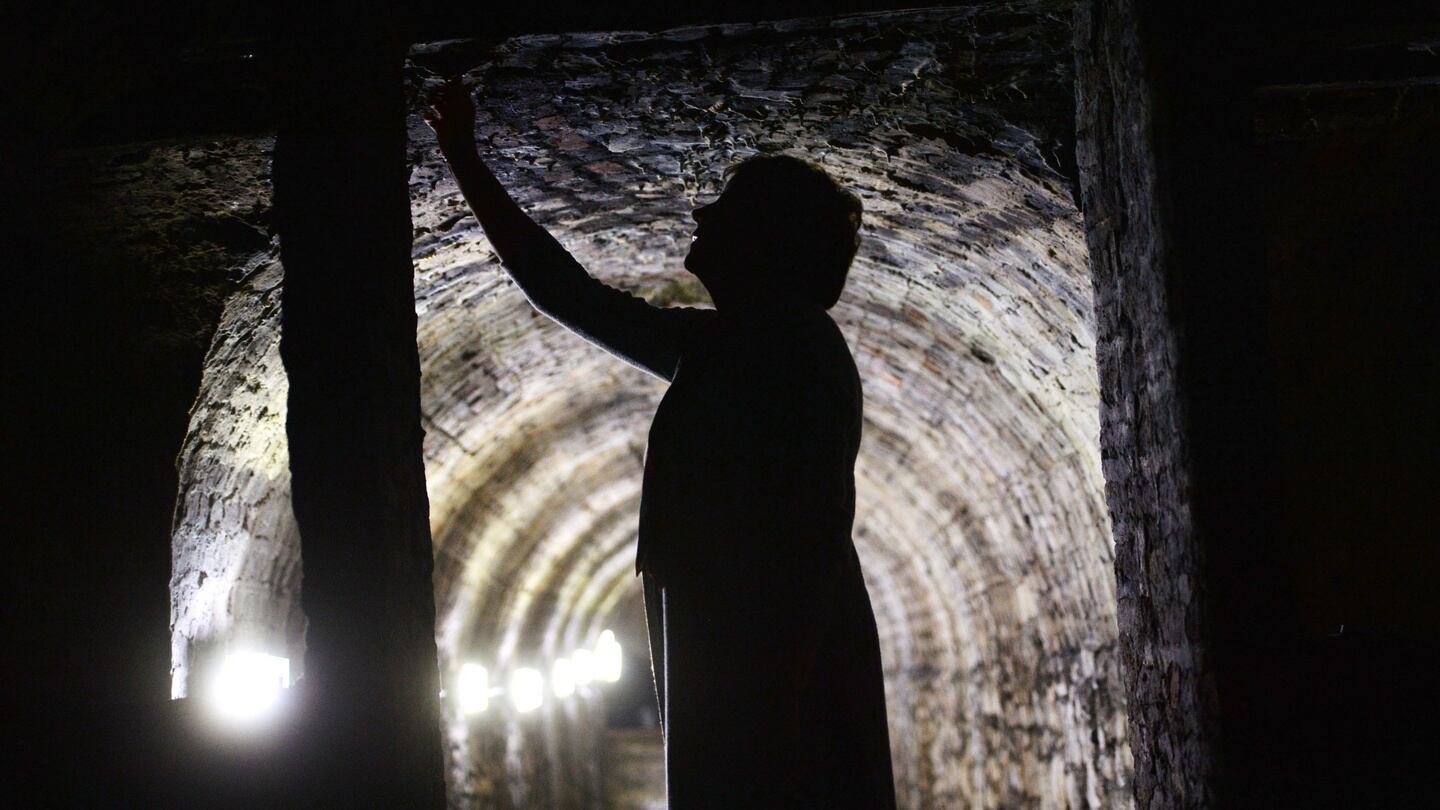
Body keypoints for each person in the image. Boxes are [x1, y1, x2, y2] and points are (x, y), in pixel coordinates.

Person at [427, 79, 896, 809]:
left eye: (729, 209)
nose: (702, 210)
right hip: (743, 656)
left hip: (768, 672)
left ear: (766, 243)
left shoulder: (789, 347)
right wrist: (464, 159)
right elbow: (569, 297)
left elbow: (807, 530)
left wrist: (773, 709)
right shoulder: (744, 342)